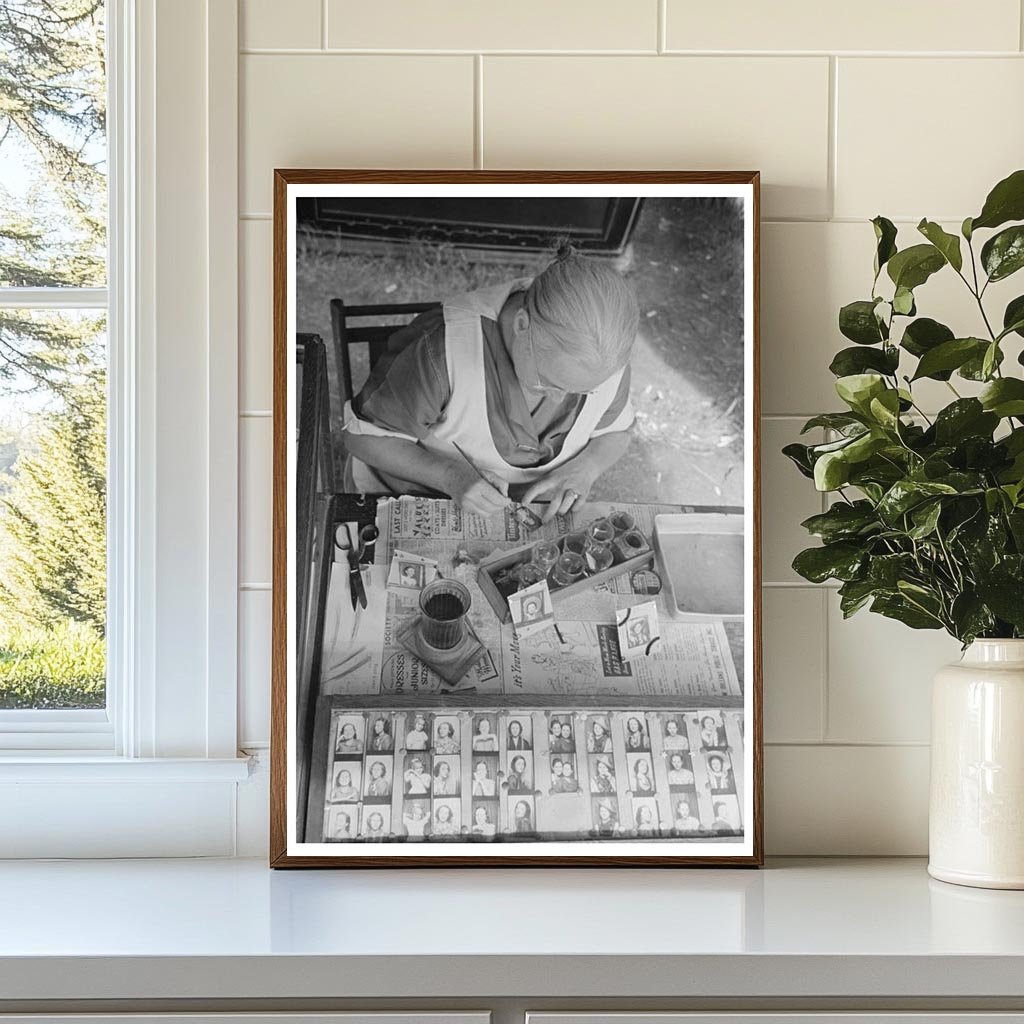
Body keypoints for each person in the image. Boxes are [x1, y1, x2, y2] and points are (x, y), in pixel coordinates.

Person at [340, 244, 640, 522]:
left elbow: (616, 431)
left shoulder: (604, 356)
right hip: (415, 497)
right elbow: (360, 438)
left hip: (518, 513)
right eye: (548, 383)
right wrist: (449, 476)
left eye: (583, 392)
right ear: (522, 325)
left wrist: (586, 469)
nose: (559, 401)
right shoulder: (442, 349)